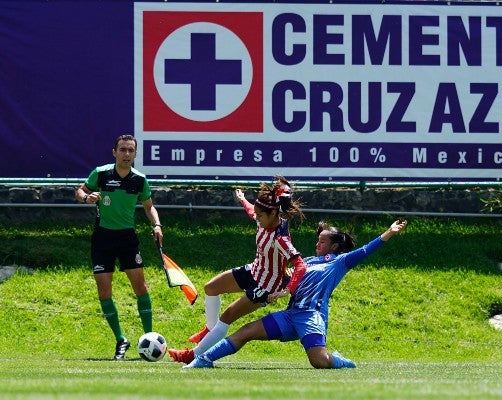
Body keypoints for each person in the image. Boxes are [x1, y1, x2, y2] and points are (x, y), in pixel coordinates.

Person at [179, 219, 408, 369]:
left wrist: (389, 232)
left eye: (323, 241)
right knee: (245, 331)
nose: (317, 243)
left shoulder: (340, 262)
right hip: (290, 315)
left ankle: (337, 360)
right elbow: (287, 277)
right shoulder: (307, 261)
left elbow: (366, 250)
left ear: (335, 246)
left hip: (311, 316)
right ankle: (204, 359)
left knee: (319, 362)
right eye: (318, 240)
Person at [168, 176, 308, 364]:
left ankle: (192, 355)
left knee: (226, 317)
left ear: (274, 214)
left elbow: (300, 265)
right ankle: (210, 329)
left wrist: (287, 290)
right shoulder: (264, 218)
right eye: (257, 215)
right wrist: (242, 199)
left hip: (265, 286)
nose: (256, 218)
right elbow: (252, 211)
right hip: (254, 270)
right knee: (211, 287)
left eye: (260, 216)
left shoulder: (280, 239)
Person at [75, 134, 163, 361]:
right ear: (114, 152)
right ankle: (121, 339)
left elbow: (149, 206)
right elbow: (79, 191)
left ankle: (149, 337)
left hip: (127, 239)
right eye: (122, 150)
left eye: (130, 151)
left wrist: (157, 224)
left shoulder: (139, 179)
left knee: (140, 288)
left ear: (135, 154)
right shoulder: (101, 173)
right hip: (102, 239)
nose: (126, 154)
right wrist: (87, 198)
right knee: (104, 291)